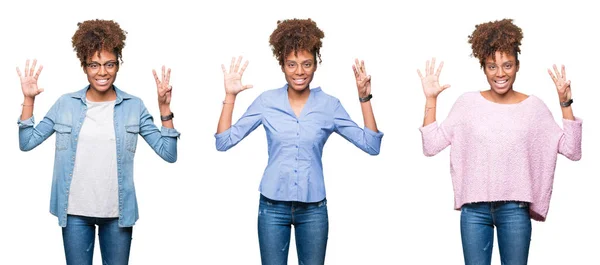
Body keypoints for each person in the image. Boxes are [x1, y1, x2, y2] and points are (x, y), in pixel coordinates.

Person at [215, 18, 383, 265]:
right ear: (282, 65)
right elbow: (224, 141)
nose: (299, 72)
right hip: (272, 207)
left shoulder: (329, 106)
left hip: (313, 209)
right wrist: (230, 96)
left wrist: (364, 97)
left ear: (316, 65)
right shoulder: (266, 102)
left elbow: (371, 145)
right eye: (291, 64)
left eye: (306, 64)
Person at [417, 18, 582, 265]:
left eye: (507, 65)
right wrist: (431, 100)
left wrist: (565, 103)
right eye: (492, 66)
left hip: (514, 210)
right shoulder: (467, 104)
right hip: (473, 210)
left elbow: (572, 149)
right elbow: (431, 146)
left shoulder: (533, 108)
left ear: (517, 66)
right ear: (483, 67)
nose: (500, 73)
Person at [17, 19, 179, 265]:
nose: (102, 72)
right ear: (84, 66)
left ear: (118, 65)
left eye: (109, 64)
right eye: (94, 65)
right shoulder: (65, 104)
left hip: (117, 214)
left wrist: (164, 109)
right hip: (74, 213)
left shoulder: (134, 106)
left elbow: (169, 153)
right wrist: (29, 101)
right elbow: (27, 142)